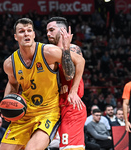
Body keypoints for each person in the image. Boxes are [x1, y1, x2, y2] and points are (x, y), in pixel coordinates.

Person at [0, 18, 85, 150]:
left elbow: (80, 61)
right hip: (25, 112)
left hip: (48, 112)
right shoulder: (10, 63)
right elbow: (12, 84)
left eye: (29, 31)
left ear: (34, 34)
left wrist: (73, 91)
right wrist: (6, 105)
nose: (26, 34)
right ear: (16, 37)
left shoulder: (48, 52)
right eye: (21, 31)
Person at [46, 17, 86, 150]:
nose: (48, 34)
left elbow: (69, 76)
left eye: (52, 30)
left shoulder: (74, 49)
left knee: (69, 147)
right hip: (55, 106)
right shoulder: (49, 52)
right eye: (47, 31)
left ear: (63, 30)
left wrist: (66, 49)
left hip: (71, 105)